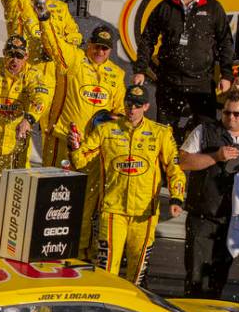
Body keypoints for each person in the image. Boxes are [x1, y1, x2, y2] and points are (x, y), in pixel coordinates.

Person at [70, 85, 186, 284]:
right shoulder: (105, 130)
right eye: (129, 104)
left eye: (138, 105)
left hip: (144, 214)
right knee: (106, 272)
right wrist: (73, 146)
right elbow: (80, 160)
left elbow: (174, 168)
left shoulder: (160, 133)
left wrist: (176, 197)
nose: (132, 109)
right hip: (113, 211)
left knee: (137, 275)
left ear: (147, 106)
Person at [39, 22, 126, 256]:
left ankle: (79, 251)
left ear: (111, 50)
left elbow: (120, 109)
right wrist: (44, 18)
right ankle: (50, 247)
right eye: (97, 47)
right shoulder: (75, 60)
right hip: (63, 142)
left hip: (92, 149)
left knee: (86, 204)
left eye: (105, 49)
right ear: (89, 44)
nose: (100, 52)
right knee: (57, 196)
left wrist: (109, 119)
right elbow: (54, 44)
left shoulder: (117, 74)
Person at [135, 0, 235, 143]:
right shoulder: (165, 6)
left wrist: (227, 75)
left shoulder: (213, 8)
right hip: (169, 82)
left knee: (206, 137)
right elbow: (147, 39)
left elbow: (225, 43)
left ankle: (201, 172)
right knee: (165, 138)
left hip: (201, 84)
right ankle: (166, 172)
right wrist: (140, 69)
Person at [0, 35, 51, 242]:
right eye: (10, 55)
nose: (14, 60)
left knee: (19, 196)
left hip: (16, 144)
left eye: (19, 56)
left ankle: (14, 241)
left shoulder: (33, 74)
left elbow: (42, 98)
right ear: (4, 54)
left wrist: (29, 119)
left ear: (27, 57)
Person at [178, 90, 239, 298]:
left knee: (218, 279)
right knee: (196, 278)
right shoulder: (205, 130)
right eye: (226, 113)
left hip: (233, 219)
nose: (230, 118)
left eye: (236, 114)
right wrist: (215, 157)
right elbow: (182, 161)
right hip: (203, 216)